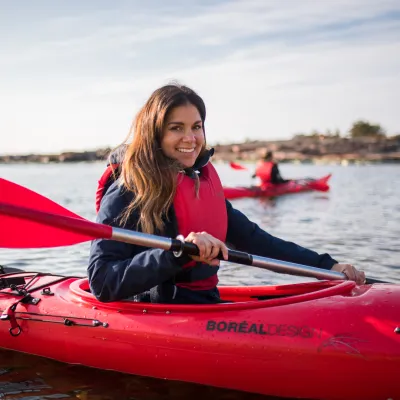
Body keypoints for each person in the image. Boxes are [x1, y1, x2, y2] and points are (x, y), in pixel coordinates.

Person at [88, 83, 365, 304]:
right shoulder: (126, 190)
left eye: (196, 127)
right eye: (176, 128)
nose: (191, 138)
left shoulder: (199, 183)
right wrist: (179, 252)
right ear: (154, 133)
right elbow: (102, 282)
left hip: (206, 303)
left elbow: (260, 242)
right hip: (156, 312)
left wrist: (329, 267)